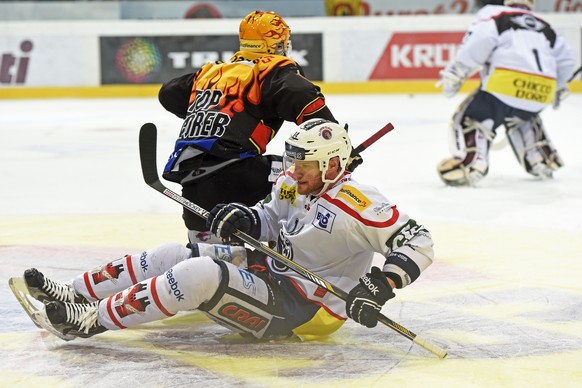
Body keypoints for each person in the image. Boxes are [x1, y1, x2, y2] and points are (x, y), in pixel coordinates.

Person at [22, 119, 434, 340]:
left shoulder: (356, 202)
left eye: (304, 163)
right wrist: (247, 217)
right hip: (274, 274)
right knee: (172, 254)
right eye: (292, 160)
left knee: (199, 275)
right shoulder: (294, 183)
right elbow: (273, 218)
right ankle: (74, 291)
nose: (292, 171)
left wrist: (380, 286)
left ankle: (89, 320)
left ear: (331, 165)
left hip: (308, 311)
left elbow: (419, 241)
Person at [158, 10, 337, 244]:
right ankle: (296, 237)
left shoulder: (211, 73)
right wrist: (334, 144)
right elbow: (300, 92)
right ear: (276, 45)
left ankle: (204, 241)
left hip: (191, 185)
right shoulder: (270, 70)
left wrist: (210, 111)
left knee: (202, 251)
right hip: (239, 176)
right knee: (303, 173)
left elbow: (168, 92)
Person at [436, 0, 576, 186]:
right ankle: (539, 157)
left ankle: (472, 162)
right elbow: (567, 60)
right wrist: (557, 86)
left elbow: (479, 42)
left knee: (472, 118)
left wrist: (457, 71)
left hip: (505, 83)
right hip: (543, 90)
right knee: (524, 117)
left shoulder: (495, 13)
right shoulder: (545, 25)